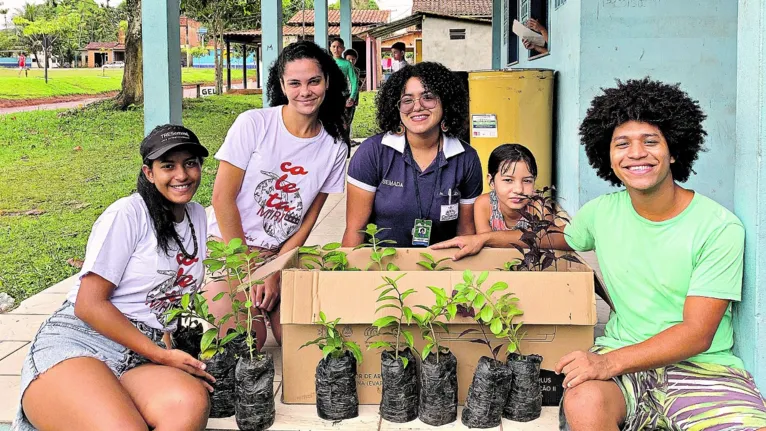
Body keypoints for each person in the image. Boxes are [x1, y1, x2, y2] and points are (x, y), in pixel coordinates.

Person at [436, 77, 766, 431]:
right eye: (622, 143)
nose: (636, 153)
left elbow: (697, 332)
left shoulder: (718, 227)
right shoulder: (602, 213)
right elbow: (557, 238)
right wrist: (485, 240)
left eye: (651, 141)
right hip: (622, 368)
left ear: (674, 150)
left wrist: (608, 364)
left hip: (701, 368)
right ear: (607, 156)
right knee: (584, 399)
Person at [13, 124, 215, 431]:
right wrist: (162, 355)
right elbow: (89, 304)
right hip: (83, 340)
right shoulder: (127, 214)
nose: (182, 175)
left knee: (189, 405)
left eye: (190, 163)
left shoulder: (196, 215)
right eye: (168, 166)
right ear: (149, 173)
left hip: (141, 351)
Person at [206, 40, 348, 352]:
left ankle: (265, 303)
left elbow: (308, 219)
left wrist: (274, 270)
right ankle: (234, 300)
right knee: (247, 340)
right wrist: (249, 270)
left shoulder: (335, 147)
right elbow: (221, 199)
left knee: (302, 344)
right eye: (295, 83)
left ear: (327, 82)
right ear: (282, 85)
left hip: (278, 253)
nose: (305, 91)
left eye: (314, 81)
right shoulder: (254, 124)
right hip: (229, 248)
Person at [342, 61, 483, 248]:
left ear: (446, 101)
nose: (417, 107)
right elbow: (355, 230)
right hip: (380, 268)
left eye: (428, 97)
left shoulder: (466, 158)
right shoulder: (373, 153)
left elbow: (466, 231)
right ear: (396, 107)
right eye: (407, 100)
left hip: (441, 268)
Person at [473, 143, 538, 233]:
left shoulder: (540, 208)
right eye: (508, 180)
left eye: (527, 181)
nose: (518, 190)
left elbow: (544, 241)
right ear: (491, 181)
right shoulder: (484, 205)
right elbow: (484, 242)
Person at [329, 37, 359, 150]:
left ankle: (345, 152)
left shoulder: (347, 64)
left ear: (343, 49)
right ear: (330, 48)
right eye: (334, 46)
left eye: (339, 47)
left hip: (344, 98)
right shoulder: (326, 62)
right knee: (330, 125)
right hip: (329, 98)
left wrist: (352, 97)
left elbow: (354, 81)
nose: (336, 49)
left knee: (344, 126)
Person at [343, 48, 363, 145]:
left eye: (353, 59)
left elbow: (356, 86)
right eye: (349, 59)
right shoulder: (343, 69)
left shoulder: (357, 70)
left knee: (350, 119)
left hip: (353, 98)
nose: (351, 61)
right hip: (346, 97)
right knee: (345, 120)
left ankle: (348, 139)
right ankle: (345, 140)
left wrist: (356, 98)